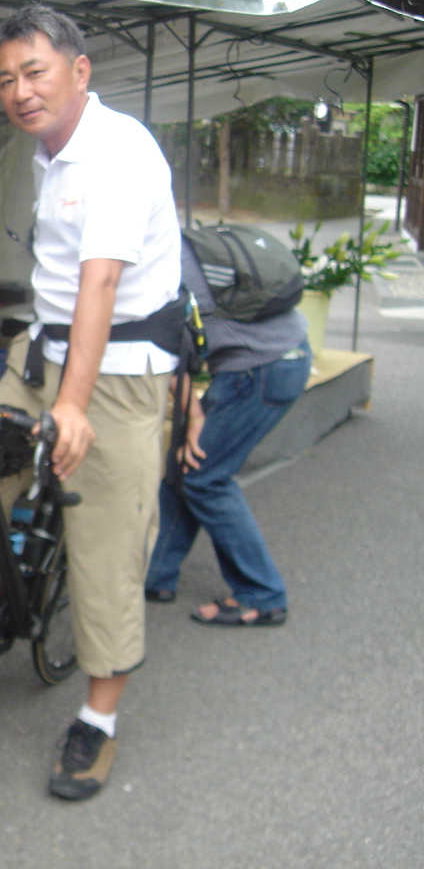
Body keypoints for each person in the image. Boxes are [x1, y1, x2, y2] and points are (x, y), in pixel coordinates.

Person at [0, 4, 182, 801]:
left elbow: (100, 280)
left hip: (122, 368)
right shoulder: (46, 151)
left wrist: (71, 407)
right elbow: (63, 289)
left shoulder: (118, 152)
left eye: (34, 72)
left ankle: (97, 724)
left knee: (103, 540)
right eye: (6, 79)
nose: (20, 91)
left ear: (78, 71)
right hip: (49, 348)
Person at [144, 240, 310, 626]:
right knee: (184, 467)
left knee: (205, 477)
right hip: (279, 355)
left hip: (261, 369)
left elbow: (167, 352)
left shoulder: (158, 268)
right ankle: (156, 576)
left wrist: (193, 413)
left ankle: (262, 595)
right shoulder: (177, 243)